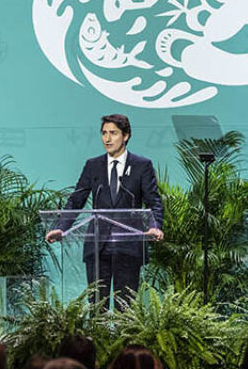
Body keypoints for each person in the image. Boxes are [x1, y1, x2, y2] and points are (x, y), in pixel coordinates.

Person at [46, 114, 164, 309]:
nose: (107, 139)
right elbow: (76, 200)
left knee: (125, 309)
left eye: (113, 133)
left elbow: (154, 202)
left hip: (128, 246)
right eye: (104, 133)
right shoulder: (93, 166)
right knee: (97, 307)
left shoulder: (142, 166)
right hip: (97, 246)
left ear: (125, 136)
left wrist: (155, 226)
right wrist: (61, 228)